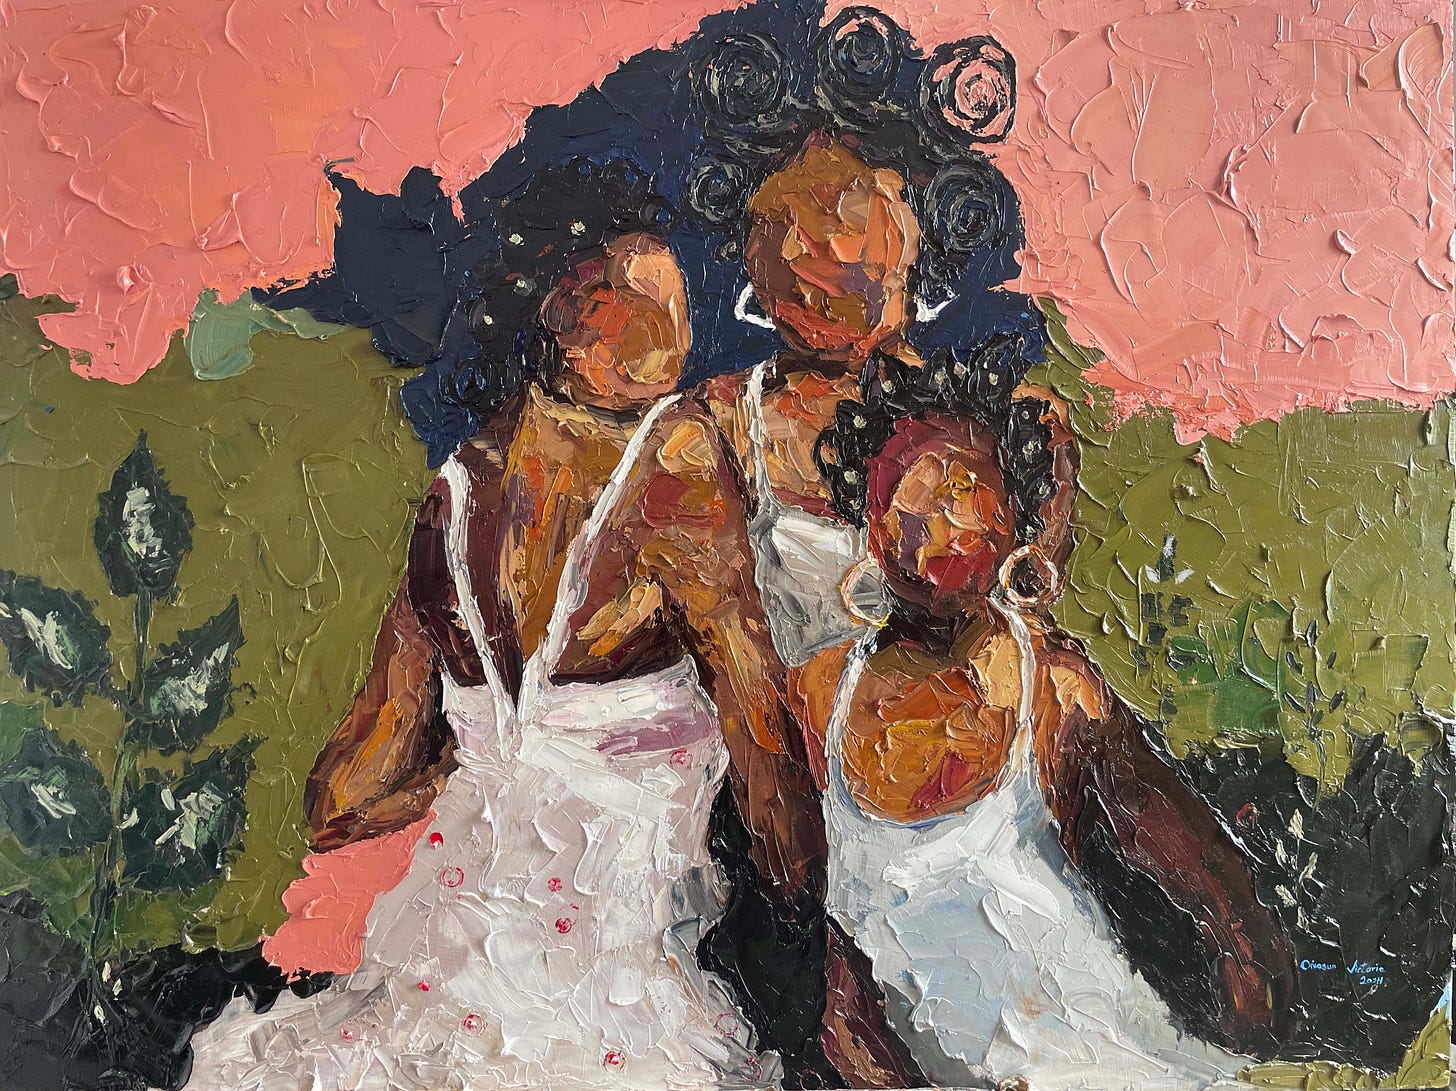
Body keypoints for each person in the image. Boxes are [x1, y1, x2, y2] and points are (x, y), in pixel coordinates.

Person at [186, 160, 818, 1090]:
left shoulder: (456, 492)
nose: (683, 337)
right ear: (562, 311)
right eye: (650, 306)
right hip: (612, 991)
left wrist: (484, 763)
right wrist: (800, 921)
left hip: (446, 962)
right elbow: (762, 737)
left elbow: (341, 799)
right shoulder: (675, 467)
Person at [788, 353, 1299, 1090]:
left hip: (1086, 1055)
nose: (942, 512)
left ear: (1013, 523)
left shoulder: (1052, 686)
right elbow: (821, 956)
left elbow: (1189, 864)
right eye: (914, 484)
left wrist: (1250, 973)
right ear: (868, 514)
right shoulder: (817, 696)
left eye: (967, 487)